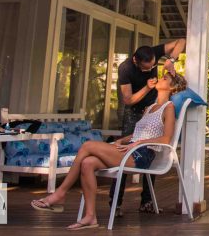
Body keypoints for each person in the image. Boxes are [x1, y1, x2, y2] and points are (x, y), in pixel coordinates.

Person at [30, 72, 187, 230]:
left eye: (165, 79)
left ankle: (60, 193)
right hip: (130, 148)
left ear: (172, 88)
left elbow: (166, 139)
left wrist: (137, 143)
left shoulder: (169, 108)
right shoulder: (151, 107)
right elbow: (139, 132)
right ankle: (90, 217)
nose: (161, 78)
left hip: (141, 154)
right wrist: (122, 140)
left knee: (88, 146)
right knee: (87, 163)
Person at [112, 38, 184, 214]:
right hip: (135, 111)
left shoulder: (153, 53)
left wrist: (171, 60)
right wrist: (146, 88)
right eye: (147, 68)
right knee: (122, 153)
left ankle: (146, 201)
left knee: (150, 152)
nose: (152, 70)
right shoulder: (126, 69)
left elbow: (181, 41)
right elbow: (128, 100)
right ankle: (116, 203)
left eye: (154, 66)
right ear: (137, 61)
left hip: (153, 110)